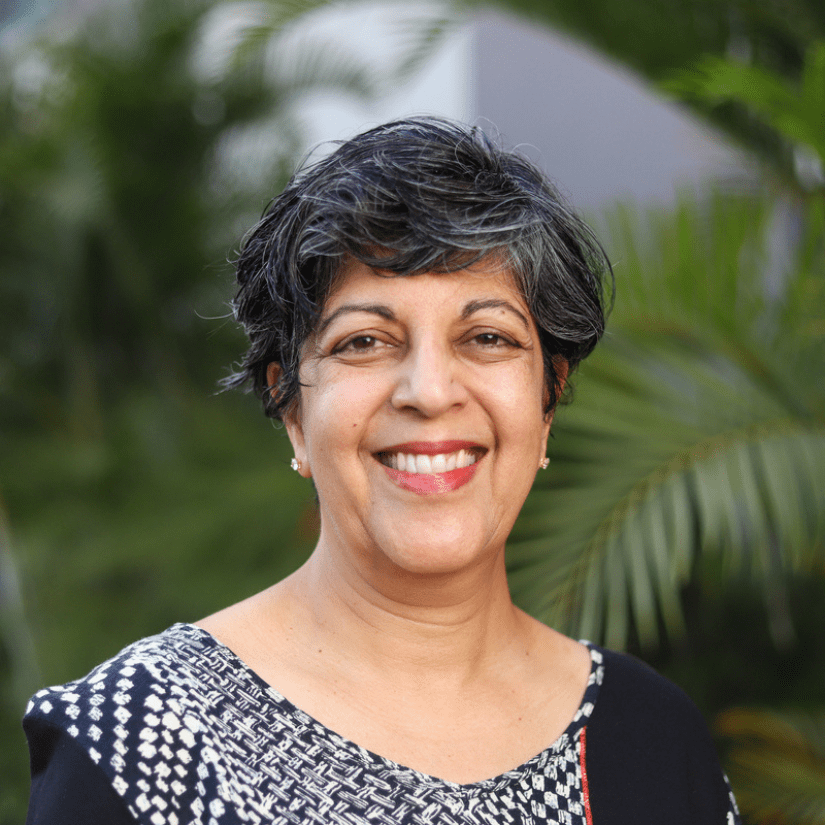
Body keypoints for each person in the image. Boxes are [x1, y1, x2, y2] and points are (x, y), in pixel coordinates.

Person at [23, 117, 740, 825]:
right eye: (364, 341)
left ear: (546, 399)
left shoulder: (648, 736)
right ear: (291, 406)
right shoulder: (140, 741)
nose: (428, 391)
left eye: (486, 337)